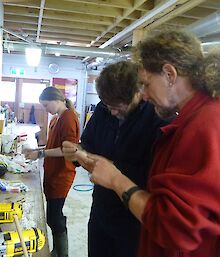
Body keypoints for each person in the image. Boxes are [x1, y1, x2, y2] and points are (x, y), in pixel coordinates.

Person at [72, 30, 220, 257]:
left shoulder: (204, 124)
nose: (144, 95)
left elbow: (173, 227)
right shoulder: (192, 119)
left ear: (169, 74)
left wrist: (115, 179)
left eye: (146, 84)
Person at [63, 61, 166, 257]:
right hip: (101, 209)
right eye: (107, 104)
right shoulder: (104, 108)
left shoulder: (157, 118)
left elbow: (152, 176)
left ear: (138, 93)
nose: (112, 111)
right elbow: (87, 145)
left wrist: (111, 169)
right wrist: (76, 152)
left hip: (133, 218)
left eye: (118, 106)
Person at [25, 86, 80, 257]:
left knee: (54, 217)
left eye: (46, 105)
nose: (45, 109)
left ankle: (62, 253)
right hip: (52, 172)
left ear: (57, 100)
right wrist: (37, 149)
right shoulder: (56, 119)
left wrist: (40, 153)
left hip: (62, 174)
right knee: (52, 216)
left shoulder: (69, 118)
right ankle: (57, 250)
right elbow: (53, 146)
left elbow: (66, 150)